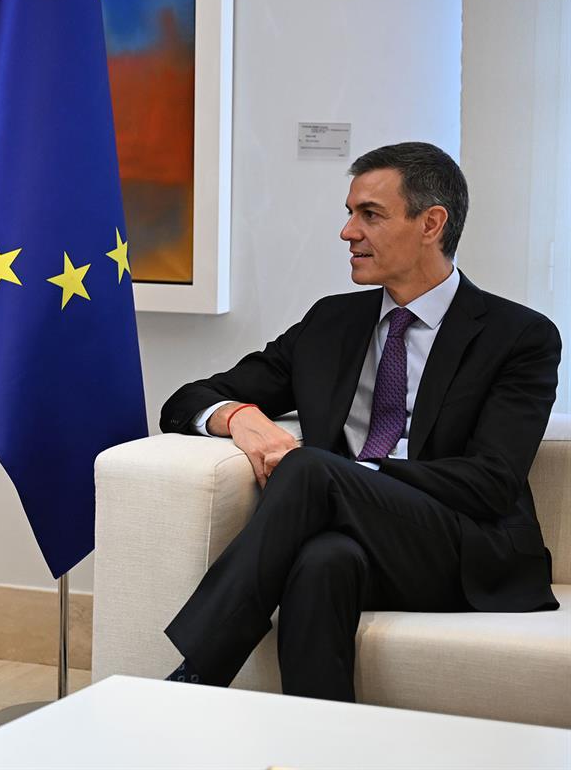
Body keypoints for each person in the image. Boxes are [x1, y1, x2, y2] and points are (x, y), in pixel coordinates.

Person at [159, 142, 561, 702]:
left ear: (432, 223)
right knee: (324, 560)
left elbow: (491, 482)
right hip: (353, 539)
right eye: (349, 214)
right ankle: (321, 747)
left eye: (369, 215)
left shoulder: (518, 336)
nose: (348, 232)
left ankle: (196, 676)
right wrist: (238, 416)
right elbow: (185, 400)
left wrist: (355, 475)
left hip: (464, 546)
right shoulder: (331, 322)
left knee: (311, 470)